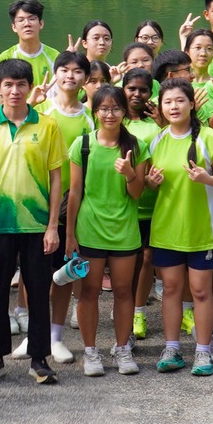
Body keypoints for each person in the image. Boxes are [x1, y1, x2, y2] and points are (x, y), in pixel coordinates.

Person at [0, 61, 68, 385]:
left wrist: (52, 226)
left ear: (30, 87)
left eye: (21, 84)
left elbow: (56, 178)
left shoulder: (48, 126)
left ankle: (39, 359)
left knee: (38, 291)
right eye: (8, 85)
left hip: (37, 225)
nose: (15, 91)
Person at [140, 79, 213, 377]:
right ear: (161, 107)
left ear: (192, 104)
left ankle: (203, 350)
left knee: (201, 291)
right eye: (167, 102)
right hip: (167, 229)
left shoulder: (209, 137)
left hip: (202, 230)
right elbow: (149, 183)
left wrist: (207, 178)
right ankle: (172, 349)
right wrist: (150, 183)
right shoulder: (156, 140)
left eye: (180, 100)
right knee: (170, 289)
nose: (174, 106)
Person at [62, 84, 148, 377]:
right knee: (89, 291)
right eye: (104, 109)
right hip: (89, 230)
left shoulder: (136, 146)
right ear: (95, 111)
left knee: (124, 291)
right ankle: (90, 351)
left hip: (124, 230)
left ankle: (123, 349)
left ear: (125, 111)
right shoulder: (82, 144)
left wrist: (130, 173)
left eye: (116, 108)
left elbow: (137, 193)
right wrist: (70, 235)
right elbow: (75, 193)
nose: (110, 114)